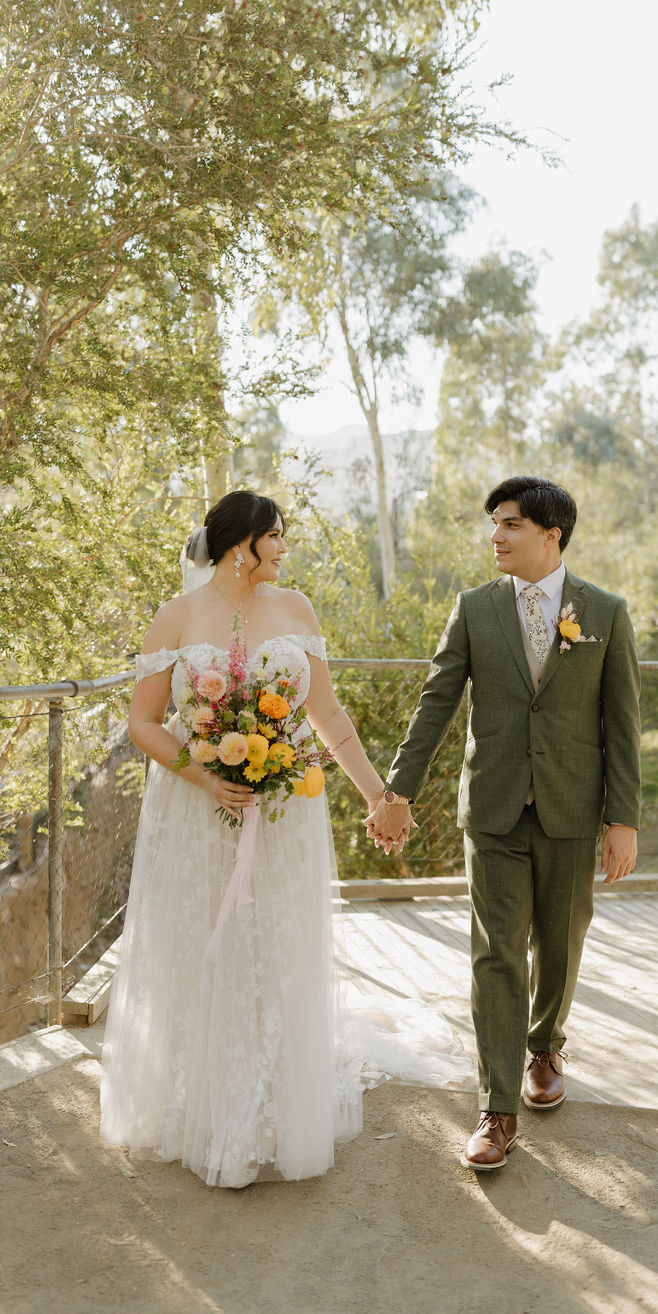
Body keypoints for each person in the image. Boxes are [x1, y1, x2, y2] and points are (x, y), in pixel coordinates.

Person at [100, 489, 399, 1188]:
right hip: (201, 811)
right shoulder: (175, 618)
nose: (285, 549)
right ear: (244, 542)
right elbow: (145, 722)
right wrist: (205, 777)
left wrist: (378, 794)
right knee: (211, 950)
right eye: (277, 536)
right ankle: (211, 1110)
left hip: (287, 813)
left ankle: (271, 1114)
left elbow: (328, 715)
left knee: (278, 948)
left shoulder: (297, 611)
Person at [365, 475, 641, 1172]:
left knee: (561, 940)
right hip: (491, 809)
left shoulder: (605, 611)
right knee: (494, 951)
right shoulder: (474, 609)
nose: (496, 537)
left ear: (552, 534)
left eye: (510, 524)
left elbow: (622, 725)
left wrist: (623, 819)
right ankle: (497, 1106)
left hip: (573, 807)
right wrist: (397, 790)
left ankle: (545, 1044)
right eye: (494, 524)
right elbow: (435, 704)